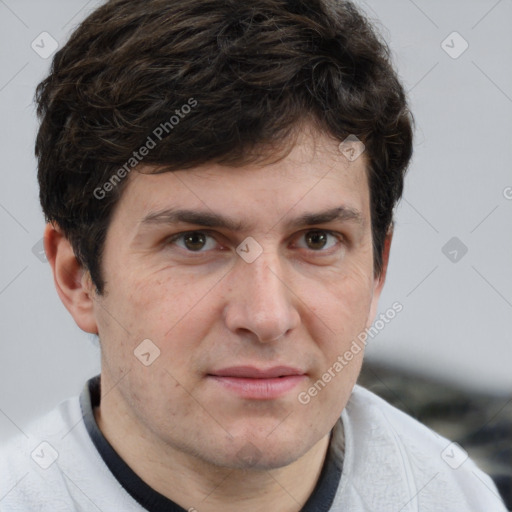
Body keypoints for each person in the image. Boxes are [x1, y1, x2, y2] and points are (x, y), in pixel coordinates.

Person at [0, 0, 507, 510]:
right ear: (77, 277)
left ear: (379, 269)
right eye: (195, 240)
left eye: (316, 240)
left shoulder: (453, 496)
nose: (266, 317)